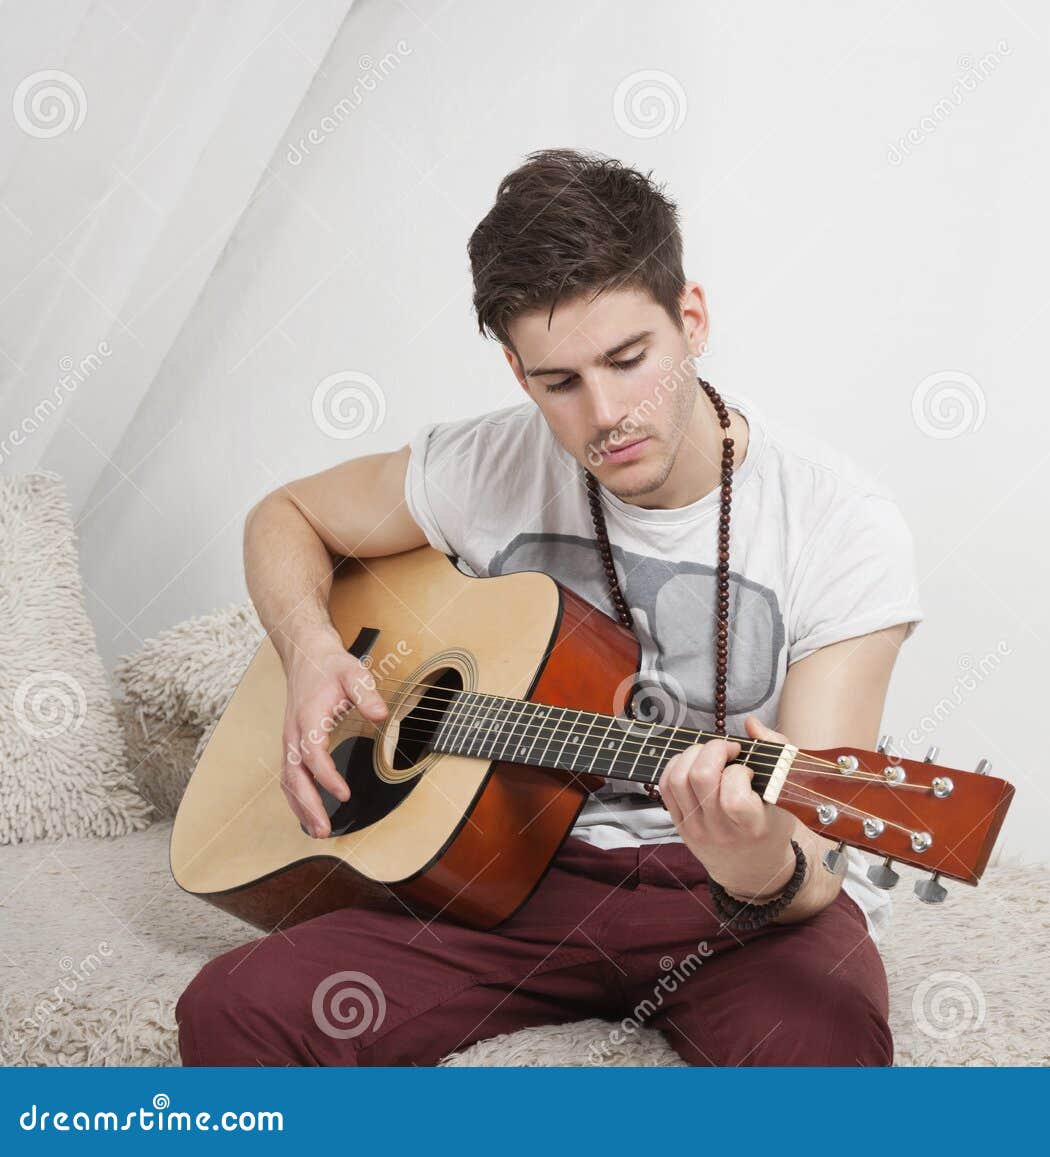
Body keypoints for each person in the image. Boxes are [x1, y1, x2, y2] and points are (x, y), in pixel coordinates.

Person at [175, 148, 924, 1067]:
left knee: (824, 1054)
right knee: (239, 1007)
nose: (605, 414)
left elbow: (818, 853)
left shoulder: (840, 525)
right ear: (517, 371)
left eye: (628, 358)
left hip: (739, 908)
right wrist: (309, 648)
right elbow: (284, 515)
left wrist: (755, 864)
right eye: (558, 382)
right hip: (507, 879)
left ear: (691, 319)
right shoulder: (485, 463)